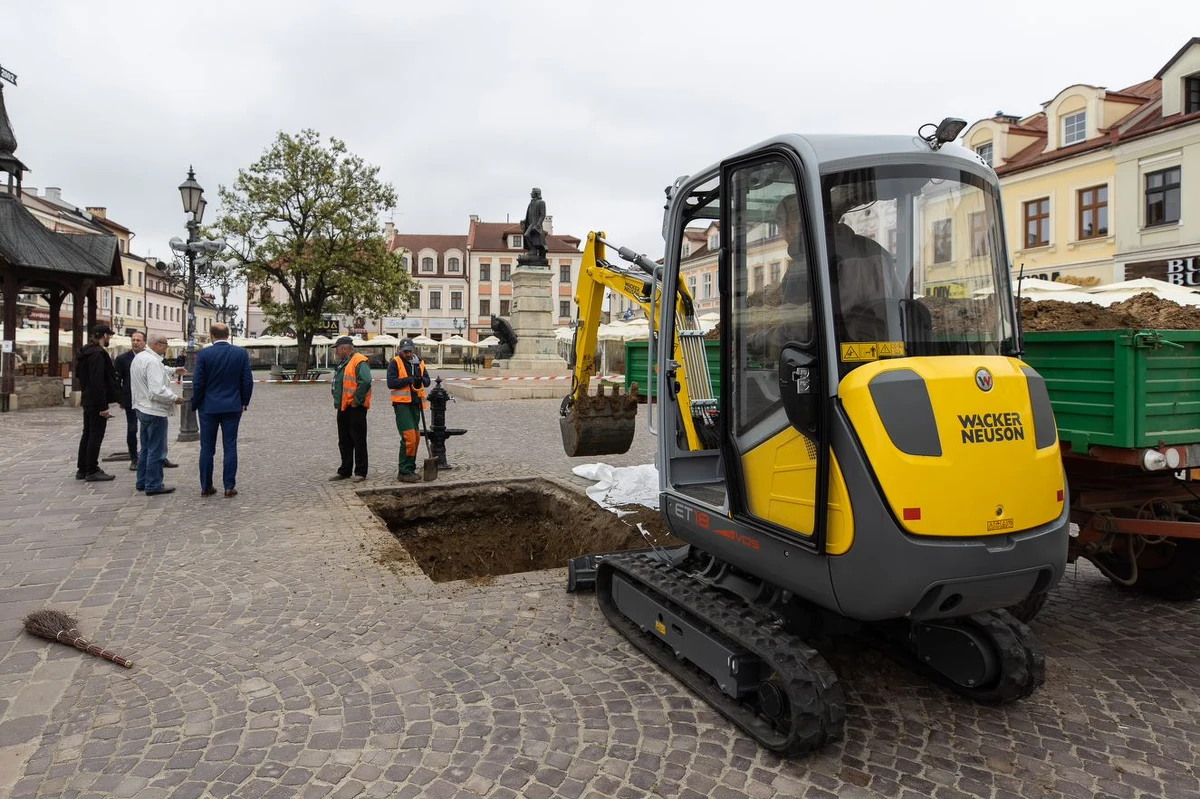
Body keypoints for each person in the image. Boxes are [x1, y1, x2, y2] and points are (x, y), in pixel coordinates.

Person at [192, 322, 253, 498]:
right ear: (228, 335)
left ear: (211, 336)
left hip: (208, 407)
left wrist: (196, 403)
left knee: (207, 448)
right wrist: (244, 401)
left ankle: (206, 486)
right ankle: (229, 486)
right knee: (230, 445)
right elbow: (247, 381)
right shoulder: (240, 353)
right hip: (232, 406)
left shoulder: (203, 354)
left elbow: (198, 382)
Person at [131, 333, 184, 496]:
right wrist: (175, 398)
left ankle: (142, 481)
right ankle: (153, 484)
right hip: (154, 410)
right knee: (156, 449)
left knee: (146, 448)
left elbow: (158, 370)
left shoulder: (141, 357)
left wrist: (174, 370)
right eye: (165, 344)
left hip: (142, 407)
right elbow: (157, 389)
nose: (166, 347)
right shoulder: (152, 361)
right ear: (155, 344)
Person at [75, 324, 121, 482]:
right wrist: (103, 407)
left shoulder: (85, 352)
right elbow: (98, 381)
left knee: (87, 434)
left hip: (87, 397)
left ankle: (82, 468)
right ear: (104, 336)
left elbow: (79, 376)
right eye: (109, 335)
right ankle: (91, 469)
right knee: (95, 435)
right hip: (96, 401)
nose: (109, 338)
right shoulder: (97, 354)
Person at [387, 338, 431, 483]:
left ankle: (410, 468)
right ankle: (404, 470)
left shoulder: (420, 362)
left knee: (416, 438)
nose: (407, 354)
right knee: (409, 437)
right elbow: (391, 382)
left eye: (410, 351)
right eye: (405, 351)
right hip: (402, 405)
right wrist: (409, 379)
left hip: (415, 404)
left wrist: (420, 380)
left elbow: (427, 380)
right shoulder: (395, 363)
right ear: (400, 350)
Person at [330, 336, 371, 482]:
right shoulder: (344, 363)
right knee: (344, 440)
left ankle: (360, 471)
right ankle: (345, 470)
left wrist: (356, 400)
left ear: (344, 349)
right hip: (343, 407)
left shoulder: (358, 361)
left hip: (355, 408)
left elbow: (365, 381)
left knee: (358, 440)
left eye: (337, 349)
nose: (336, 352)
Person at [114, 330, 145, 472]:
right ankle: (134, 458)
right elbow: (116, 380)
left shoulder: (149, 357)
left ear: (144, 342)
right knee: (132, 428)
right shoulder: (122, 359)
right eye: (133, 340)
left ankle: (153, 456)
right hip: (130, 399)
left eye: (138, 340)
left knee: (150, 428)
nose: (135, 342)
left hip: (146, 399)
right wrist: (120, 398)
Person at [522, 187, 547, 261]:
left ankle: (534, 250)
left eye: (532, 192)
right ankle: (533, 250)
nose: (531, 193)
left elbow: (542, 214)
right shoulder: (531, 203)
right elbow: (530, 214)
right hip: (529, 223)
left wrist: (539, 223)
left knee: (527, 235)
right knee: (527, 235)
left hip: (535, 223)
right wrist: (524, 220)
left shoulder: (541, 202)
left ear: (536, 193)